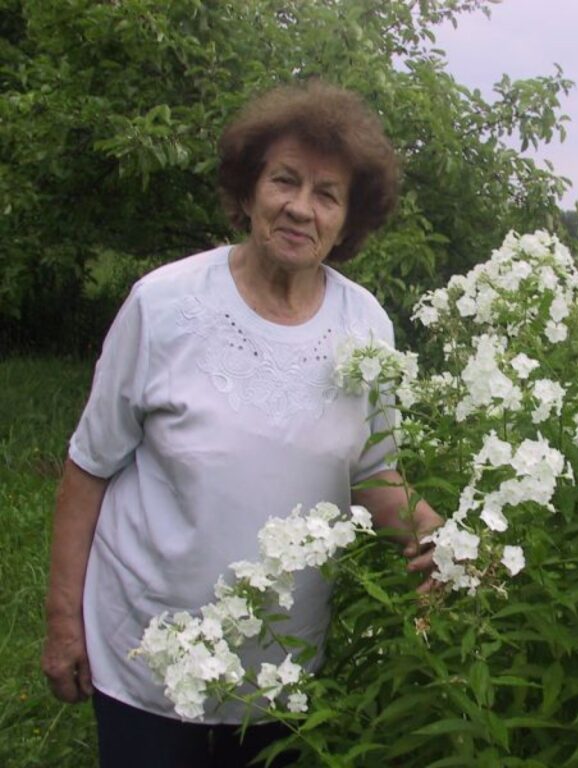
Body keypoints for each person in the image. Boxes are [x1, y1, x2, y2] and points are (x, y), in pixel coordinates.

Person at [41, 80, 441, 768]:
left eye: (326, 194)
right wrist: (61, 621)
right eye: (284, 181)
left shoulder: (366, 325)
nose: (299, 207)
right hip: (148, 662)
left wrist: (439, 538)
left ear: (349, 221)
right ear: (249, 188)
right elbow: (89, 465)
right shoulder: (164, 306)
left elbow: (372, 471)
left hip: (281, 675)